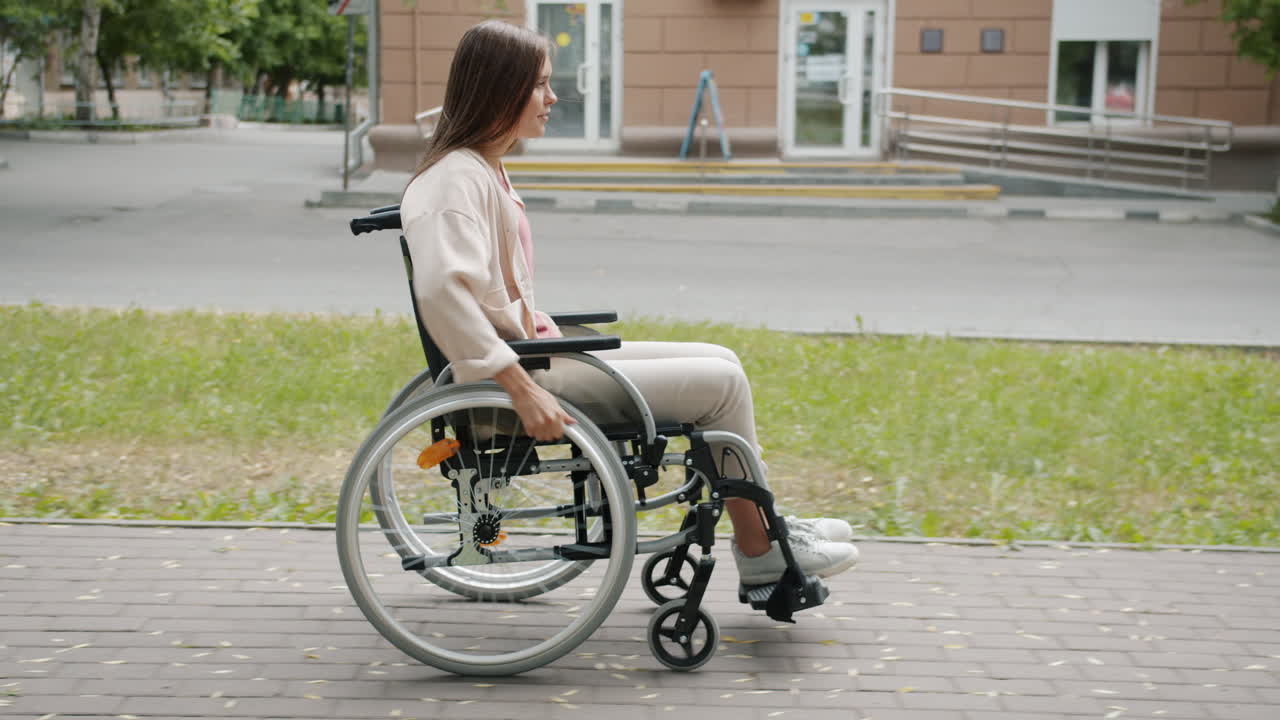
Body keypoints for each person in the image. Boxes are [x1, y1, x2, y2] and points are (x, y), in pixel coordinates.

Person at [399, 20, 858, 586]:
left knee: (722, 358)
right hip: (519, 378)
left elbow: (489, 292)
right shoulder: (453, 183)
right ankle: (760, 547)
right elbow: (443, 294)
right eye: (540, 85)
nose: (553, 97)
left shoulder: (481, 169)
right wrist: (522, 389)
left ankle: (765, 522)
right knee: (723, 387)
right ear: (501, 89)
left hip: (535, 356)